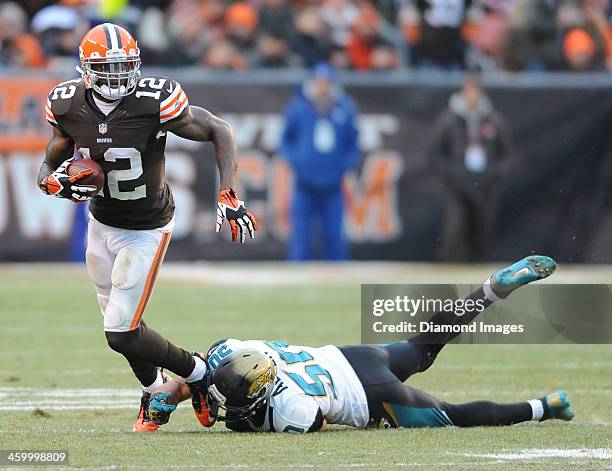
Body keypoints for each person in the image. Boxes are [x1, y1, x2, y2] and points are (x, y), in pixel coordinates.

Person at [37, 23, 258, 433]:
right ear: (85, 70)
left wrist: (228, 193)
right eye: (108, 68)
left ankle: (197, 374)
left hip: (146, 226)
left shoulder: (153, 101)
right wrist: (51, 180)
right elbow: (50, 160)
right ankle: (158, 389)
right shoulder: (66, 104)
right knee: (125, 326)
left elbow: (218, 129)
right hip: (100, 222)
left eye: (125, 66)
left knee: (119, 332)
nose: (118, 76)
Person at [145, 255, 574, 432]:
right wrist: (180, 389)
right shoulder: (239, 350)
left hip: (372, 396)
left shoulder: (291, 410)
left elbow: (316, 424)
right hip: (352, 356)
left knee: (453, 416)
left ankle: (544, 406)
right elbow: (207, 370)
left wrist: (238, 419)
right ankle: (490, 291)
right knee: (424, 345)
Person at [429, 74, 513, 261]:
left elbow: (507, 152)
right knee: (455, 224)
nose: (472, 96)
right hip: (456, 182)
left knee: (483, 224)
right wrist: (451, 172)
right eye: (468, 91)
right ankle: (448, 264)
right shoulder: (449, 120)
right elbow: (435, 152)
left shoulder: (493, 120)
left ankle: (479, 264)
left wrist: (494, 173)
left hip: (485, 182)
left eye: (475, 91)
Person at [280, 62, 360, 261]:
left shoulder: (345, 108)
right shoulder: (298, 108)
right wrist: (296, 161)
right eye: (319, 82)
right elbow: (284, 140)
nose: (323, 87)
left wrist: (344, 167)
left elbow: (353, 143)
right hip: (304, 183)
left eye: (327, 83)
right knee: (301, 237)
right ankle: (298, 280)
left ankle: (337, 280)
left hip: (333, 184)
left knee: (334, 235)